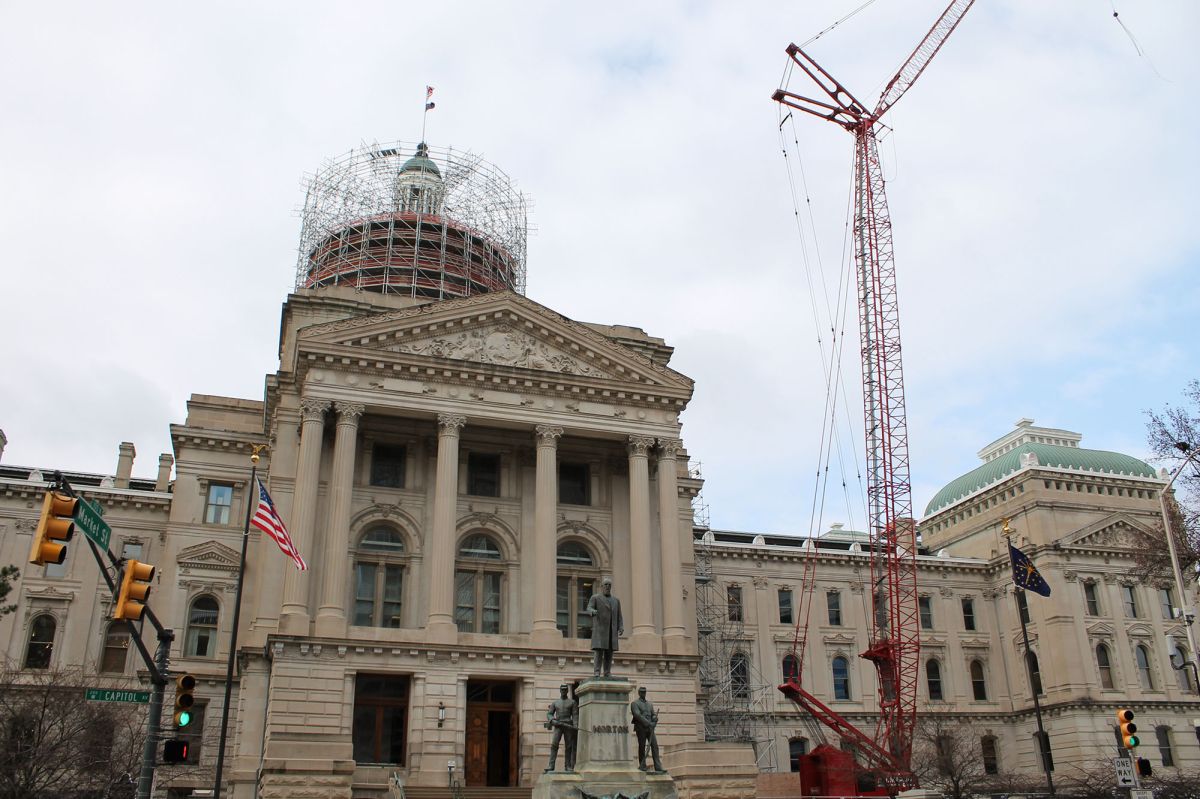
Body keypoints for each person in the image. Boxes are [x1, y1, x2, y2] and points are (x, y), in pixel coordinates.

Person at [585, 576, 623, 678]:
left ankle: (607, 672)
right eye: (606, 584)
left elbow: (619, 615)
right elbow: (589, 608)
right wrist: (593, 611)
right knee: (598, 652)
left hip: (611, 631)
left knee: (609, 653)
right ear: (602, 586)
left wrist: (621, 626)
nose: (607, 586)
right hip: (600, 630)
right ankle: (597, 671)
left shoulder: (616, 601)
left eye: (609, 585)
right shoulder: (596, 598)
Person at [544, 683, 578, 772]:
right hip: (558, 725)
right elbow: (549, 714)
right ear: (560, 690)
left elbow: (575, 715)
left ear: (567, 690)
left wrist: (575, 725)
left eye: (565, 689)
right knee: (554, 745)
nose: (563, 691)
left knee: (569, 746)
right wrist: (552, 720)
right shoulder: (555, 703)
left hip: (568, 726)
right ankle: (551, 765)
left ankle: (568, 766)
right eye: (562, 689)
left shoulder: (572, 702)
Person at [630, 686, 663, 773]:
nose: (643, 693)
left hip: (650, 728)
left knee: (655, 746)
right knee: (642, 746)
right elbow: (638, 715)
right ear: (639, 693)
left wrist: (655, 718)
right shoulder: (635, 703)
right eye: (642, 692)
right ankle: (642, 766)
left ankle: (658, 766)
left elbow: (652, 714)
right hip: (641, 728)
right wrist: (649, 723)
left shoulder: (649, 704)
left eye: (644, 692)